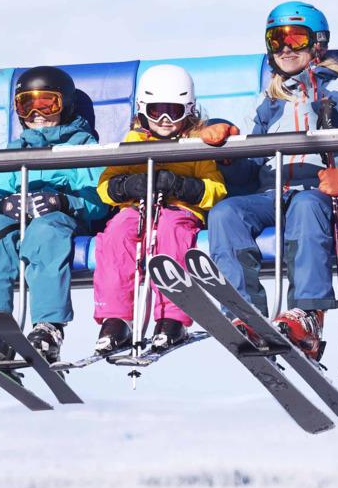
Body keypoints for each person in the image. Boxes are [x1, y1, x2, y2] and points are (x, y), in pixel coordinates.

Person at [205, 1, 338, 359]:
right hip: (271, 196)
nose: (285, 48)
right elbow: (248, 168)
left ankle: (307, 316)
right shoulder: (266, 102)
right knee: (226, 213)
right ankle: (245, 312)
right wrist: (228, 156)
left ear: (318, 43)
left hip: (325, 197)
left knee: (305, 205)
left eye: (295, 38)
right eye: (276, 39)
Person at [0, 66, 111, 364]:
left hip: (61, 218)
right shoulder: (13, 150)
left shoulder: (83, 147)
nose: (37, 114)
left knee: (44, 233)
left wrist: (64, 201)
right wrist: (2, 206)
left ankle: (48, 326)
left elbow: (99, 200)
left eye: (47, 104)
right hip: (16, 220)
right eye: (27, 105)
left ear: (65, 104)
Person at [90, 64, 239, 356]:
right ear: (143, 110)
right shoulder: (133, 142)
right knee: (117, 233)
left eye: (174, 111)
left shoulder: (196, 142)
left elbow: (216, 190)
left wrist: (182, 186)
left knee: (171, 233)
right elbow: (105, 187)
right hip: (137, 210)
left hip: (178, 211)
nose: (166, 120)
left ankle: (172, 318)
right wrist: (128, 186)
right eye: (157, 111)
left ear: (189, 110)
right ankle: (116, 319)